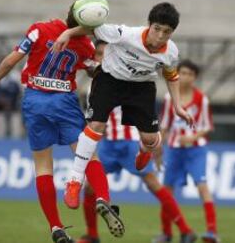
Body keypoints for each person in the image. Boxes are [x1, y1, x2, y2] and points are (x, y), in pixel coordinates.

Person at [0, 0, 124, 243]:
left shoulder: (39, 29)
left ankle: (56, 227)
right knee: (88, 154)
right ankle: (102, 197)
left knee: (43, 166)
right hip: (64, 102)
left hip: (34, 101)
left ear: (71, 10)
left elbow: (12, 59)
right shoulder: (85, 47)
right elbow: (94, 70)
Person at [53, 2, 194, 212]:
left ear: (172, 33)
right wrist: (68, 33)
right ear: (149, 25)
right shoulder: (125, 34)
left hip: (141, 88)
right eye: (157, 29)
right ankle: (74, 180)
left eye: (167, 32)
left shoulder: (171, 52)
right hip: (109, 80)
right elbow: (93, 28)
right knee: (96, 126)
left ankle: (144, 149)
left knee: (150, 140)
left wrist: (177, 105)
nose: (160, 36)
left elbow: (170, 74)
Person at [76, 41, 196, 243]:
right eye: (98, 54)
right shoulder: (92, 86)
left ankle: (185, 230)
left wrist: (148, 141)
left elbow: (141, 110)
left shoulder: (124, 76)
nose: (101, 58)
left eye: (105, 54)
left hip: (129, 143)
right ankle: (92, 235)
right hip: (107, 145)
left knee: (153, 184)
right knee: (89, 187)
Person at [160, 60, 220, 243]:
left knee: (202, 187)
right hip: (173, 150)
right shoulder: (170, 98)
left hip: (196, 150)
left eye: (189, 74)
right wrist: (157, 146)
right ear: (177, 74)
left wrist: (193, 137)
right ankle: (166, 233)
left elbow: (208, 126)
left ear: (195, 78)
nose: (185, 77)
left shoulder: (202, 99)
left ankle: (212, 232)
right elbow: (164, 125)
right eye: (182, 73)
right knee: (167, 191)